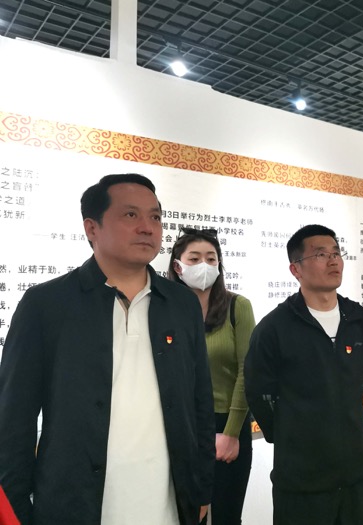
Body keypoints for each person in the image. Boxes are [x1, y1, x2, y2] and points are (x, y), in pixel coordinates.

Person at [0, 174, 215, 524]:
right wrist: (15, 510)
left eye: (155, 217)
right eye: (131, 215)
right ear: (92, 228)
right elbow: (13, 418)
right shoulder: (47, 304)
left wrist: (202, 487)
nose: (147, 227)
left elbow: (200, 401)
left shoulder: (181, 304)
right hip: (75, 505)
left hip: (169, 505)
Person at [244, 224, 363, 525]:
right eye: (320, 254)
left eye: (336, 253)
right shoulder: (275, 328)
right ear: (296, 269)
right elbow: (259, 392)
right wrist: (290, 434)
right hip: (302, 479)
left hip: (356, 473)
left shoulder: (358, 318)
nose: (333, 261)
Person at [168, 228, 255, 525]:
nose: (204, 265)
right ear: (178, 266)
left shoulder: (237, 307)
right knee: (184, 515)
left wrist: (231, 433)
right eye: (194, 259)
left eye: (211, 258)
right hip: (181, 424)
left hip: (227, 423)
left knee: (227, 516)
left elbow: (247, 370)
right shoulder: (165, 311)